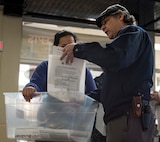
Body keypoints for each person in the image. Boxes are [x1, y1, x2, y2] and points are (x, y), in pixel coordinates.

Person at [60, 4, 154, 142]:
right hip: (122, 115)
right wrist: (82, 99)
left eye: (106, 22)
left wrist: (79, 49)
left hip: (129, 114)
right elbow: (108, 88)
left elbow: (115, 57)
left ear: (121, 16)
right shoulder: (124, 53)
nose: (103, 27)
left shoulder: (133, 32)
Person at [22, 30, 97, 102]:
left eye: (71, 46)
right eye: (63, 46)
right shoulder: (45, 66)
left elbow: (92, 92)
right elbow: (36, 83)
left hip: (76, 112)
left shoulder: (83, 69)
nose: (68, 49)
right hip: (49, 112)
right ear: (55, 47)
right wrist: (30, 88)